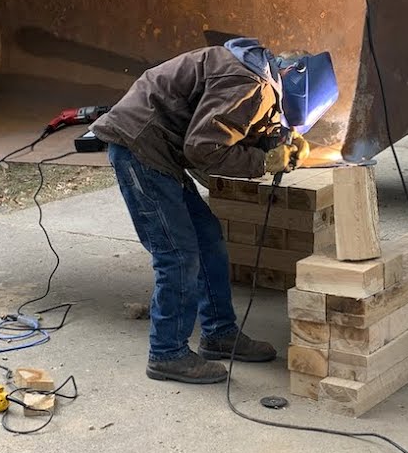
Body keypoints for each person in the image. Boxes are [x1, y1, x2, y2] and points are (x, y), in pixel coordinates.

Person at [91, 37, 338, 384]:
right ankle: (167, 353)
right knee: (178, 254)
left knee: (207, 239)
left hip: (161, 150)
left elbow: (231, 122)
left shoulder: (259, 74)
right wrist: (264, 160)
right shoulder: (251, 86)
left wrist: (276, 140)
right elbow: (203, 148)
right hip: (140, 150)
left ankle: (219, 333)